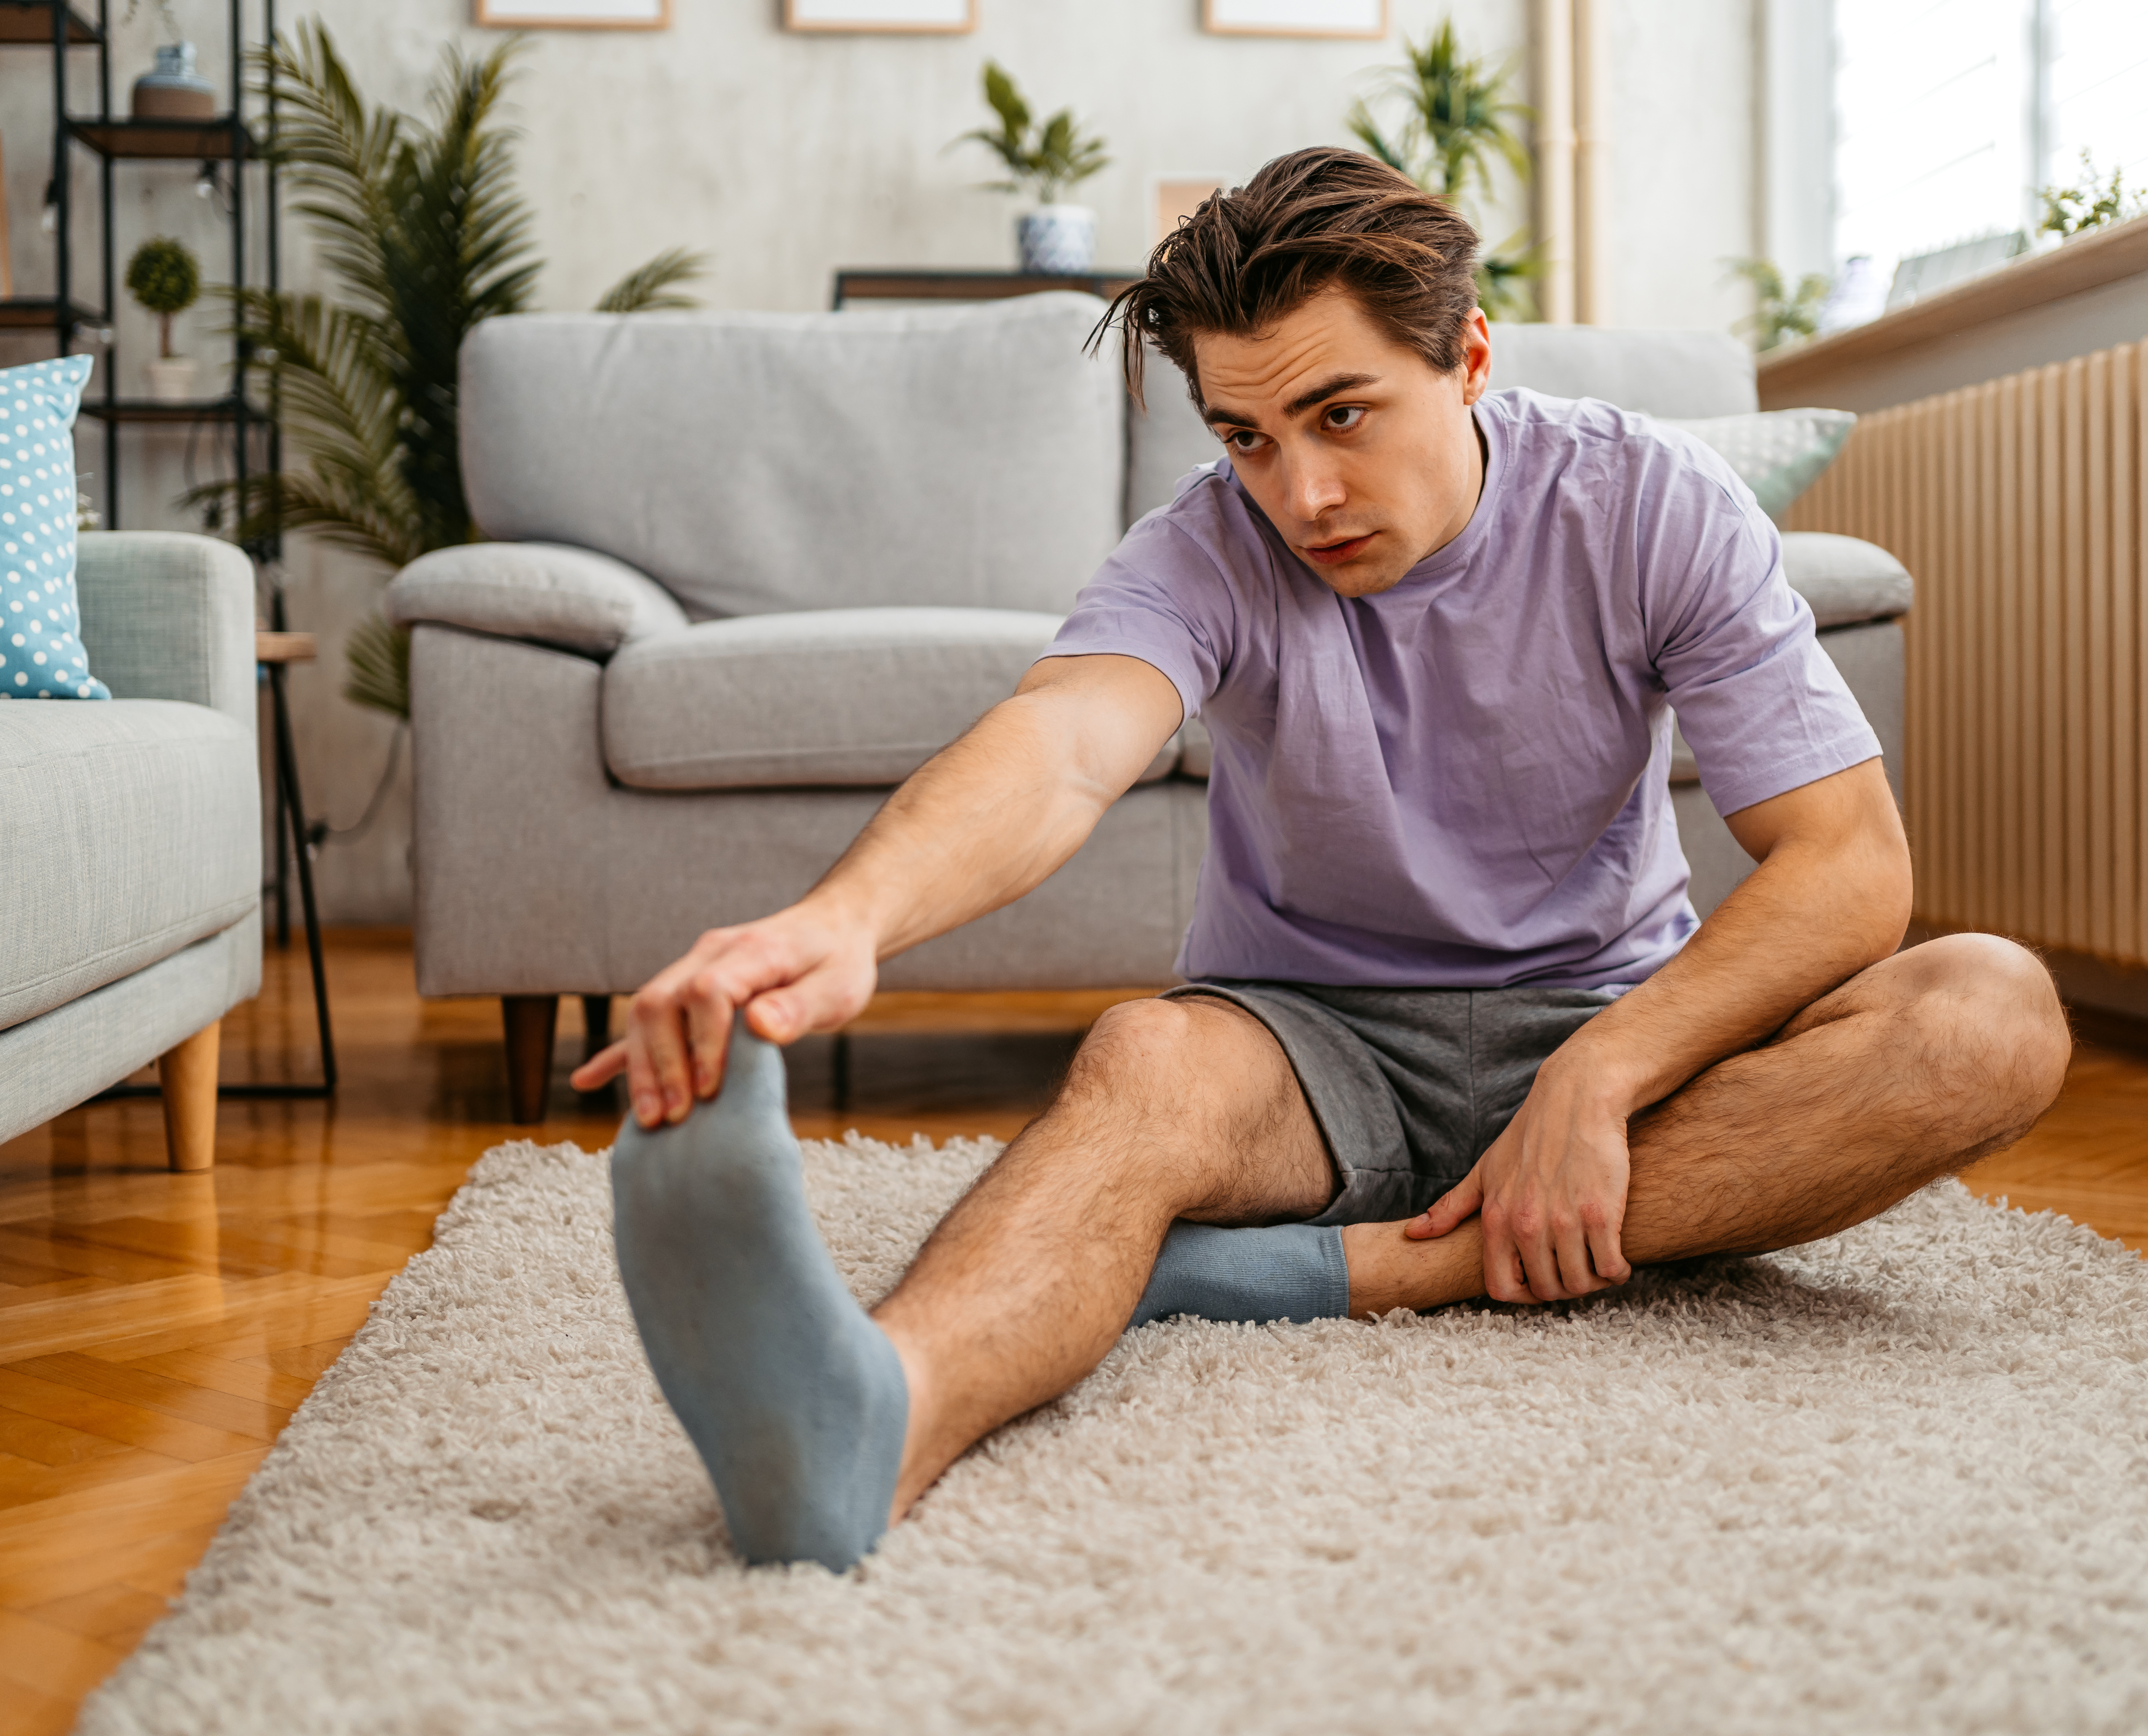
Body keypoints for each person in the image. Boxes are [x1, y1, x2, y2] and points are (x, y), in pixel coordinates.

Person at [576, 147, 2071, 1572]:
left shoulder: (1649, 501)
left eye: (1341, 415)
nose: (1300, 497)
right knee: (1141, 1063)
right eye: (1247, 438)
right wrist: (848, 919)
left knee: (1988, 1015)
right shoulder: (1202, 551)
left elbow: (1848, 864)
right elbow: (1064, 745)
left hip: (1612, 1016)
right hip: (1307, 1043)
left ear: (1468, 357)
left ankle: (1355, 1268)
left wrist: (1604, 1072)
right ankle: (869, 1422)